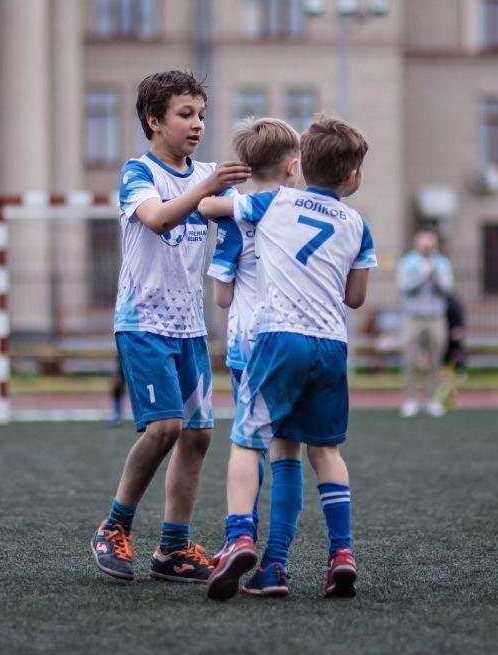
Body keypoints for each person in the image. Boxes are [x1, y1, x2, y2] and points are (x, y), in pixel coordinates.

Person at [199, 115, 376, 601]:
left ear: (301, 165)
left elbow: (212, 207)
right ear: (352, 176)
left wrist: (216, 192)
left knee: (246, 441)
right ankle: (339, 553)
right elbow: (356, 298)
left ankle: (239, 537)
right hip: (331, 344)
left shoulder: (272, 202)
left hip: (279, 338)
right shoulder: (358, 225)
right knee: (324, 451)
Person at [89, 70, 250, 584]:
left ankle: (173, 549)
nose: (198, 124)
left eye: (201, 114)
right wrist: (208, 189)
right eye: (185, 114)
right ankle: (113, 527)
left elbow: (239, 213)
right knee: (165, 428)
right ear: (154, 120)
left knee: (198, 436)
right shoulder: (138, 173)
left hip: (190, 328)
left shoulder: (208, 175)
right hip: (143, 323)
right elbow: (158, 219)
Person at [206, 117, 304, 545]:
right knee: (288, 449)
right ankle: (277, 556)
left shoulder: (233, 216)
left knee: (249, 443)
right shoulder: (301, 211)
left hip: (246, 344)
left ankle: (241, 536)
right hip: (294, 338)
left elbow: (221, 297)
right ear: (292, 166)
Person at [395, 230, 453, 418]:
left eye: (430, 245)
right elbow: (403, 287)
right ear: (417, 245)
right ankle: (410, 400)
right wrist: (422, 277)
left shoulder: (443, 263)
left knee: (436, 359)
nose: (427, 248)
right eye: (423, 245)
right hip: (413, 318)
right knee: (410, 359)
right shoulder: (407, 262)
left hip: (436, 318)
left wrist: (435, 276)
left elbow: (448, 289)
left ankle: (432, 400)